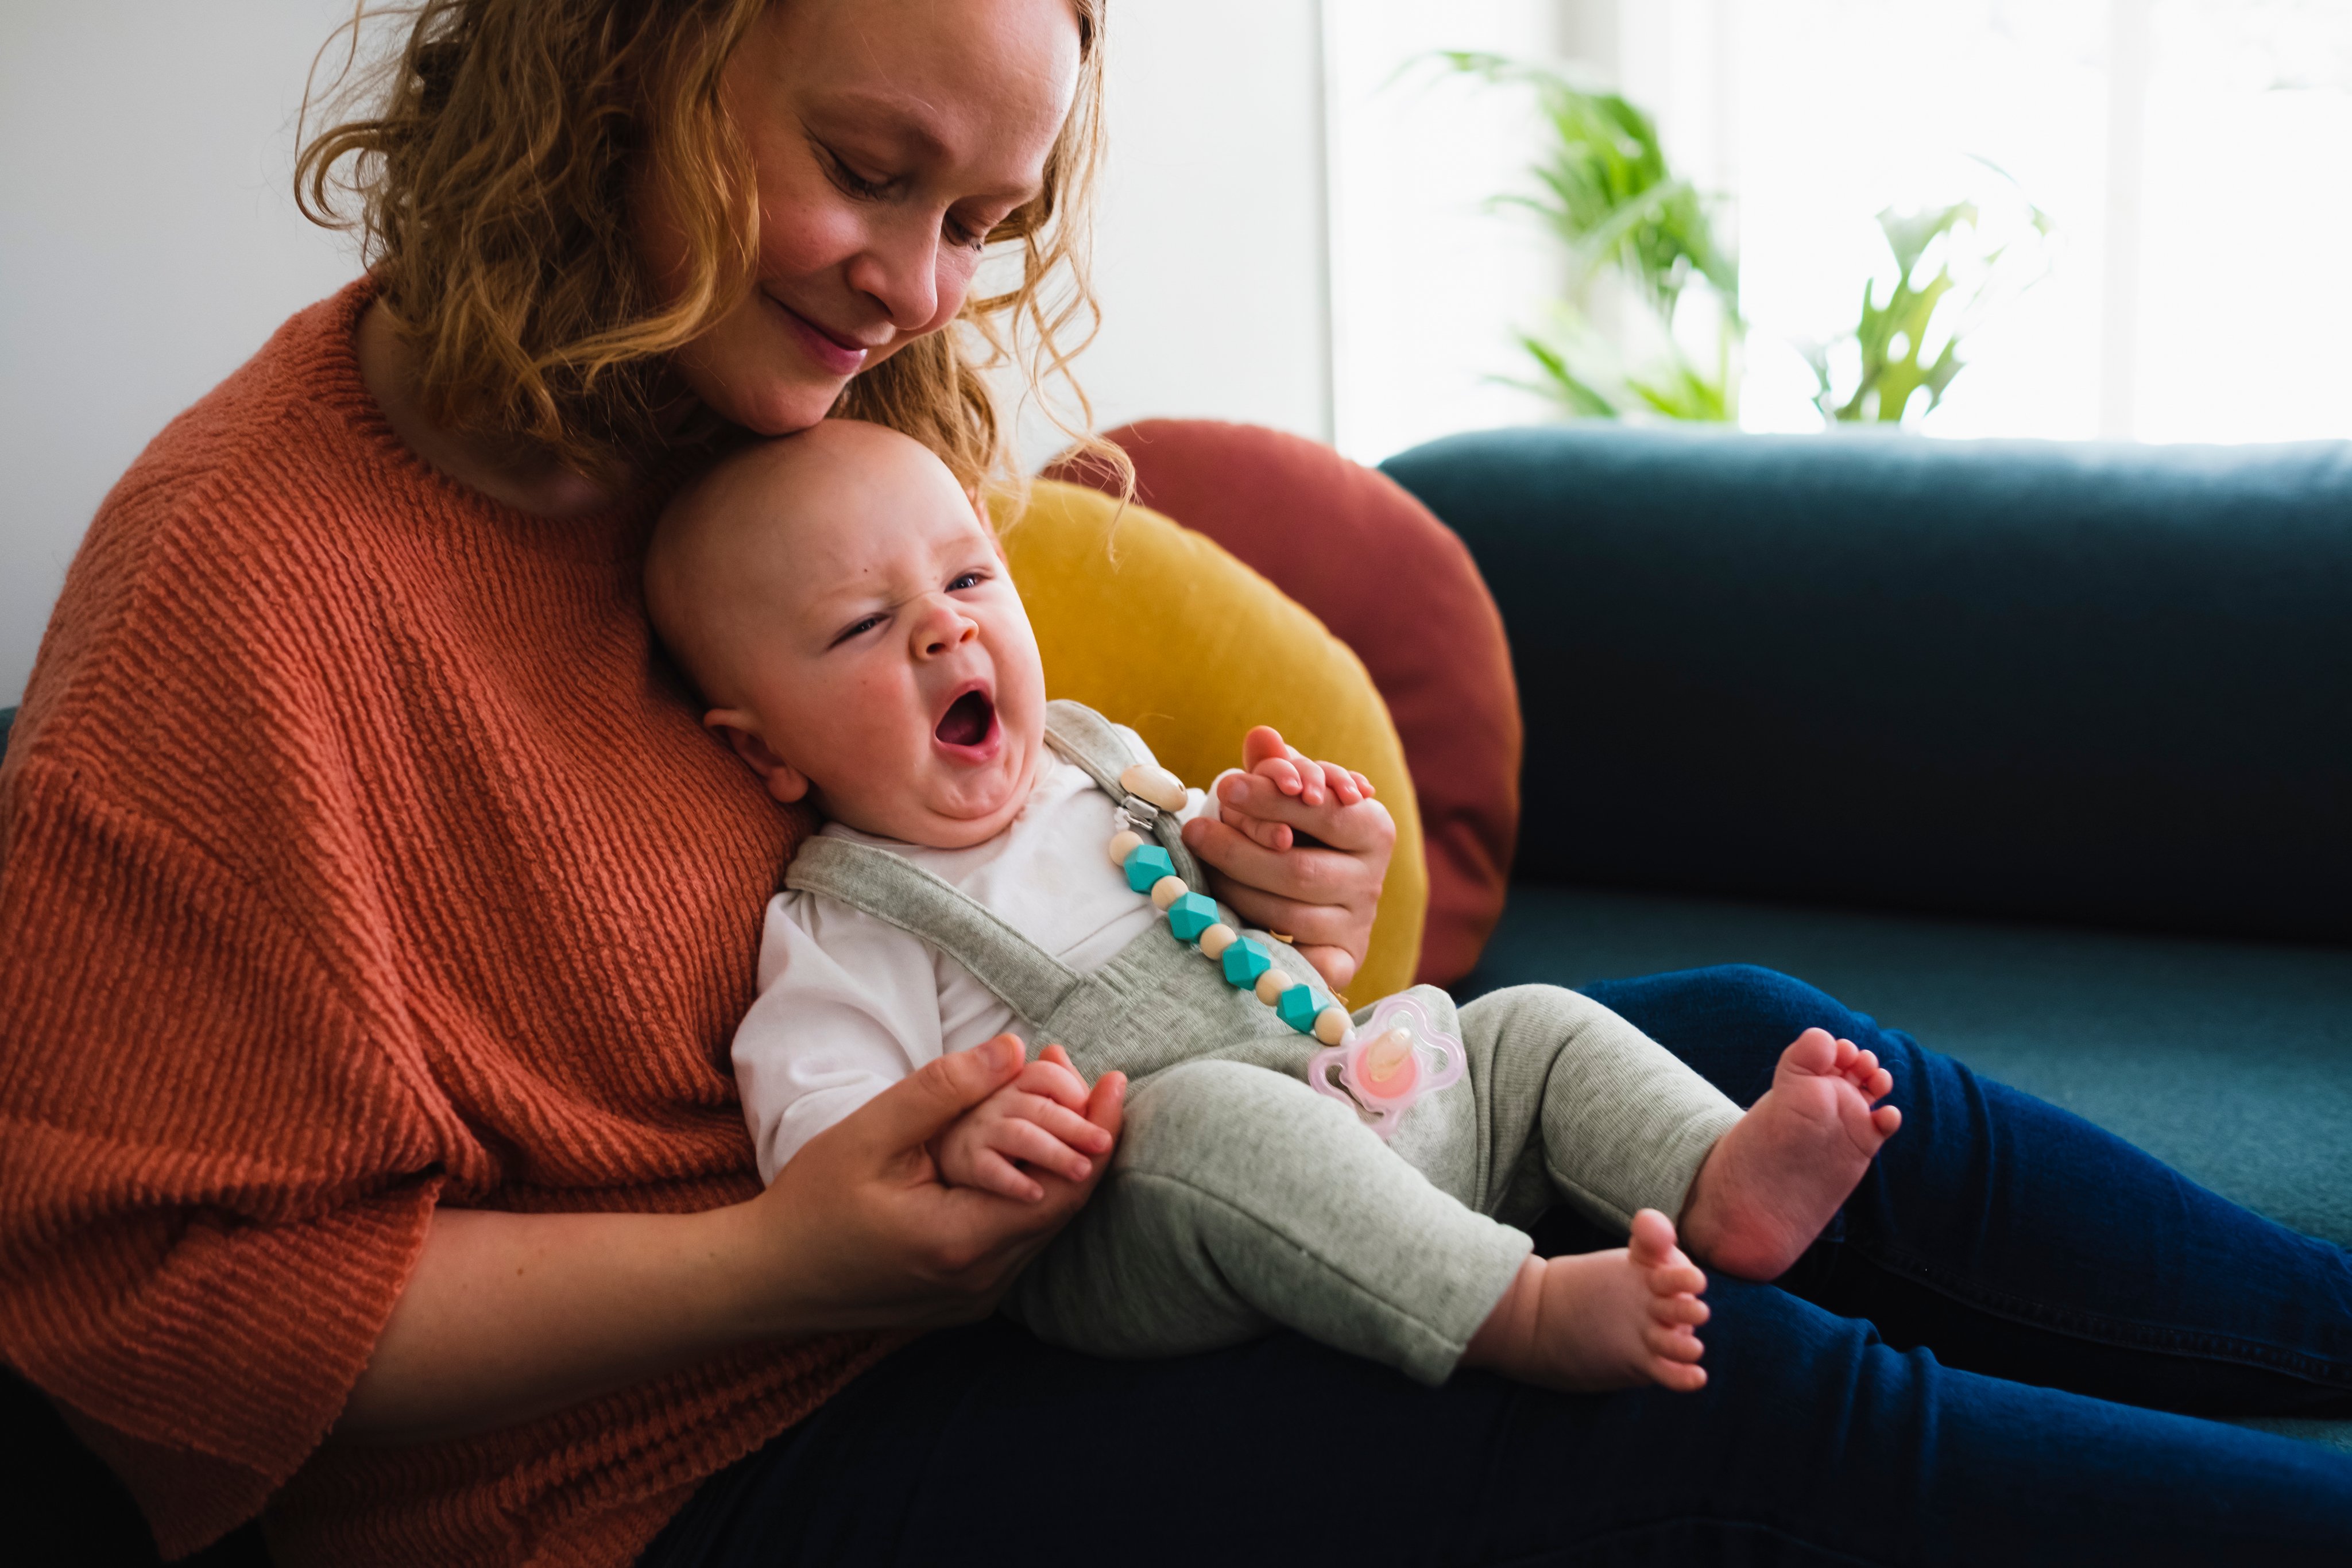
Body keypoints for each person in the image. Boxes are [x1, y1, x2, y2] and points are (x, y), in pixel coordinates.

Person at [0, 1, 2343, 1565]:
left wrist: (1261, 918)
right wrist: (779, 1255)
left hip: (1040, 1247)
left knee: (1725, 1034)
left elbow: (1014, 873)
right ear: (618, 57)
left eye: (980, 222)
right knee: (1682, 1390)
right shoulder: (238, 602)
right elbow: (171, 1327)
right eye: (868, 172)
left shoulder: (750, 423)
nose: (923, 293)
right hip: (690, 1468)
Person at [644, 416, 1917, 1395]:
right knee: (1207, 1113)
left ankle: (1713, 1172)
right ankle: (1515, 1310)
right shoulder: (845, 920)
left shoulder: (1091, 756)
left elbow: (1216, 888)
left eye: (970, 580)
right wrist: (958, 1150)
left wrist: (1260, 833)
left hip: (1353, 1100)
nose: (942, 631)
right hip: (1143, 1228)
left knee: (1523, 1025)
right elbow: (821, 1154)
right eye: (866, 624)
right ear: (765, 754)